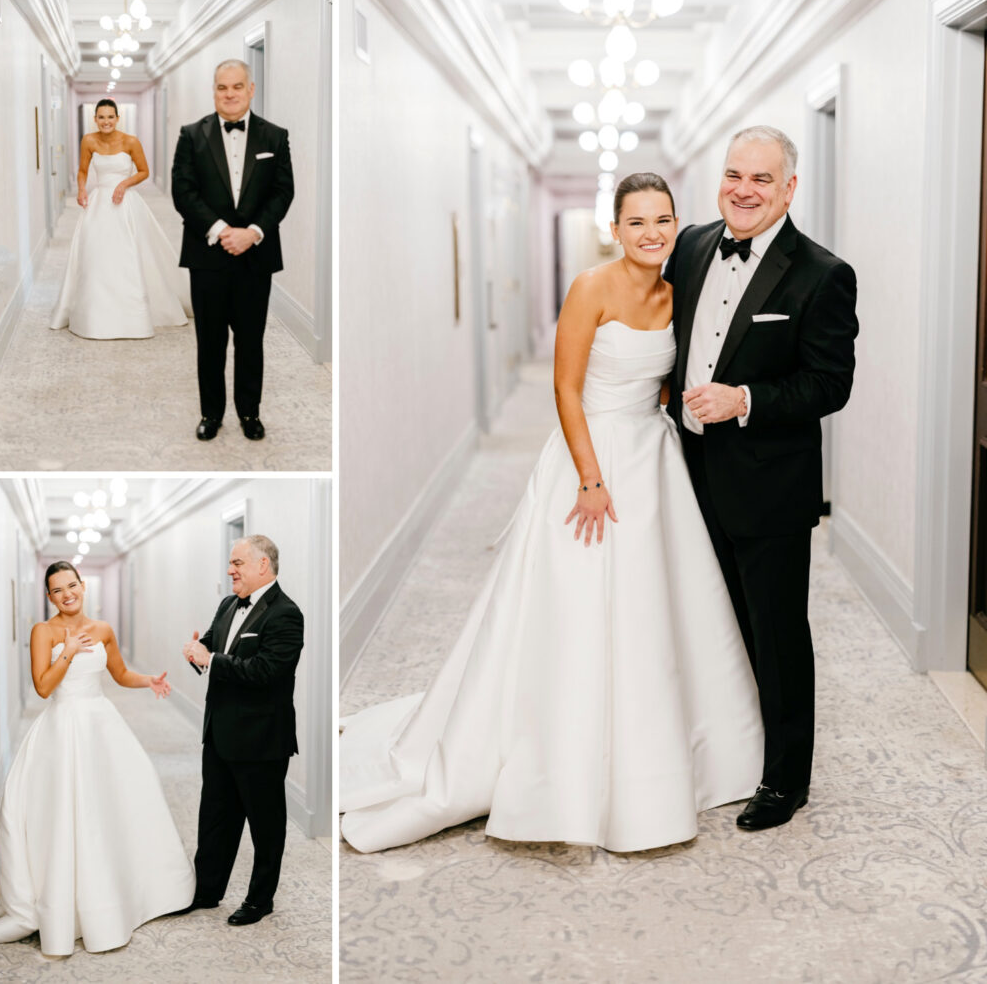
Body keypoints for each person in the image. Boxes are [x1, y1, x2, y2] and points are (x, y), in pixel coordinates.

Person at [339, 174, 764, 854]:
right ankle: (563, 760)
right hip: (589, 457)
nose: (651, 233)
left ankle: (667, 753)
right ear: (616, 227)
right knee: (576, 605)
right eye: (636, 222)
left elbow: (670, 379)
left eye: (662, 220)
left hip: (654, 456)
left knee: (660, 604)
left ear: (676, 223)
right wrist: (591, 479)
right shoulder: (591, 288)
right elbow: (566, 387)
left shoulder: (682, 289)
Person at [663, 125, 859, 831]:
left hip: (769, 483)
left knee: (775, 631)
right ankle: (724, 747)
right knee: (708, 619)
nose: (744, 189)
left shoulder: (822, 274)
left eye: (762, 179)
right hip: (686, 475)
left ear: (789, 188)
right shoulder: (689, 245)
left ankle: (784, 780)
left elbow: (830, 383)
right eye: (734, 174)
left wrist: (745, 399)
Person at [0, 561, 194, 956]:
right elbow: (42, 687)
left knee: (112, 806)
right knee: (65, 811)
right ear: (49, 596)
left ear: (82, 586)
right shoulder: (43, 632)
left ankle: (119, 894)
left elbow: (119, 674)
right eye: (58, 590)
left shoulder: (102, 629)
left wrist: (148, 680)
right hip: (62, 728)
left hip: (102, 725)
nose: (67, 594)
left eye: (72, 585)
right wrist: (66, 652)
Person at [177, 535, 303, 925]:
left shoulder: (286, 613)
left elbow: (266, 672)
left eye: (237, 563)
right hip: (219, 734)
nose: (230, 570)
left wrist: (211, 659)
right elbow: (211, 649)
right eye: (230, 563)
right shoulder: (228, 604)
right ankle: (207, 891)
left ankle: (259, 900)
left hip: (261, 740)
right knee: (214, 817)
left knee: (265, 826)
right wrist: (196, 655)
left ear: (262, 565)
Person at [171, 59, 295, 443]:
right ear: (214, 91)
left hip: (256, 256)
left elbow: (282, 192)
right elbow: (183, 191)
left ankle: (249, 412)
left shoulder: (275, 136)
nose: (229, 94)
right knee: (210, 341)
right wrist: (223, 230)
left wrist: (253, 232)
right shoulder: (191, 135)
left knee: (250, 339)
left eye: (237, 87)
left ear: (251, 89)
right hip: (207, 254)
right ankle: (211, 413)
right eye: (222, 87)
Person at [50, 98, 192, 339]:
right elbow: (83, 169)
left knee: (129, 253)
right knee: (96, 252)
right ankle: (96, 314)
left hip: (126, 203)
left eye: (110, 117)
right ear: (95, 118)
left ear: (117, 118)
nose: (106, 121)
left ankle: (134, 313)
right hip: (99, 203)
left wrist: (124, 184)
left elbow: (144, 171)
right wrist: (82, 189)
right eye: (101, 117)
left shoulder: (130, 141)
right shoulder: (89, 140)